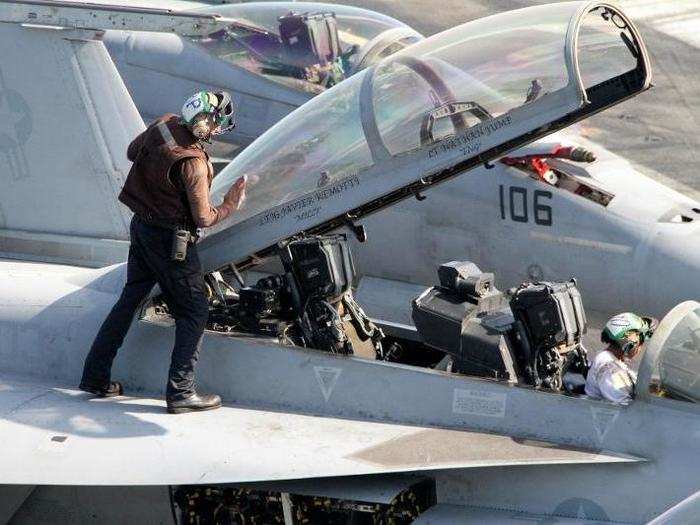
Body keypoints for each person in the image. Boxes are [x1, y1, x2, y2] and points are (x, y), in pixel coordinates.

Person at [79, 90, 247, 414]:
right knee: (195, 310)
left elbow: (132, 152)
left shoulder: (164, 124)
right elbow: (203, 218)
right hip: (173, 244)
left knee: (130, 299)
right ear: (206, 123)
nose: (215, 132)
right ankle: (182, 393)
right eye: (215, 126)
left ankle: (95, 376)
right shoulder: (193, 164)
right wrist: (229, 205)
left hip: (141, 228)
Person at [585, 312, 655, 405]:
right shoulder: (610, 371)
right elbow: (625, 409)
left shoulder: (614, 360)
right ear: (630, 345)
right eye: (640, 343)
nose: (641, 348)